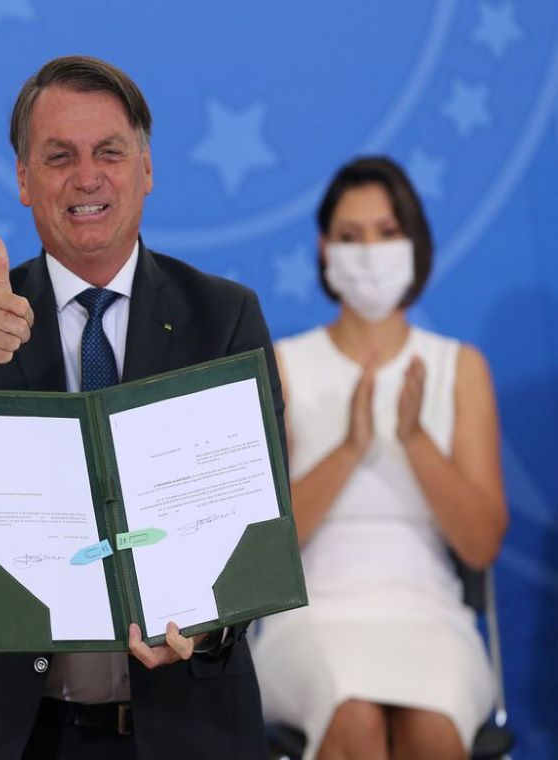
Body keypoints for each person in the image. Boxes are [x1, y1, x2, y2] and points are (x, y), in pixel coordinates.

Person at [0, 55, 284, 760]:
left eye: (109, 153)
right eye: (59, 157)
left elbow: (259, 513)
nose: (87, 178)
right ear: (24, 179)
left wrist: (209, 625)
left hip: (183, 723)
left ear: (145, 169)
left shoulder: (222, 316)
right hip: (6, 728)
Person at [251, 156, 507, 759]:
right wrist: (350, 448)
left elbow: (480, 545)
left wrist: (415, 440)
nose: (369, 253)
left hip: (431, 613)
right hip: (310, 617)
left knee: (431, 728)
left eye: (387, 232)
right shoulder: (284, 365)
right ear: (324, 249)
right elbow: (264, 552)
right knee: (354, 717)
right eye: (350, 235)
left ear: (414, 242)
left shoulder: (458, 369)